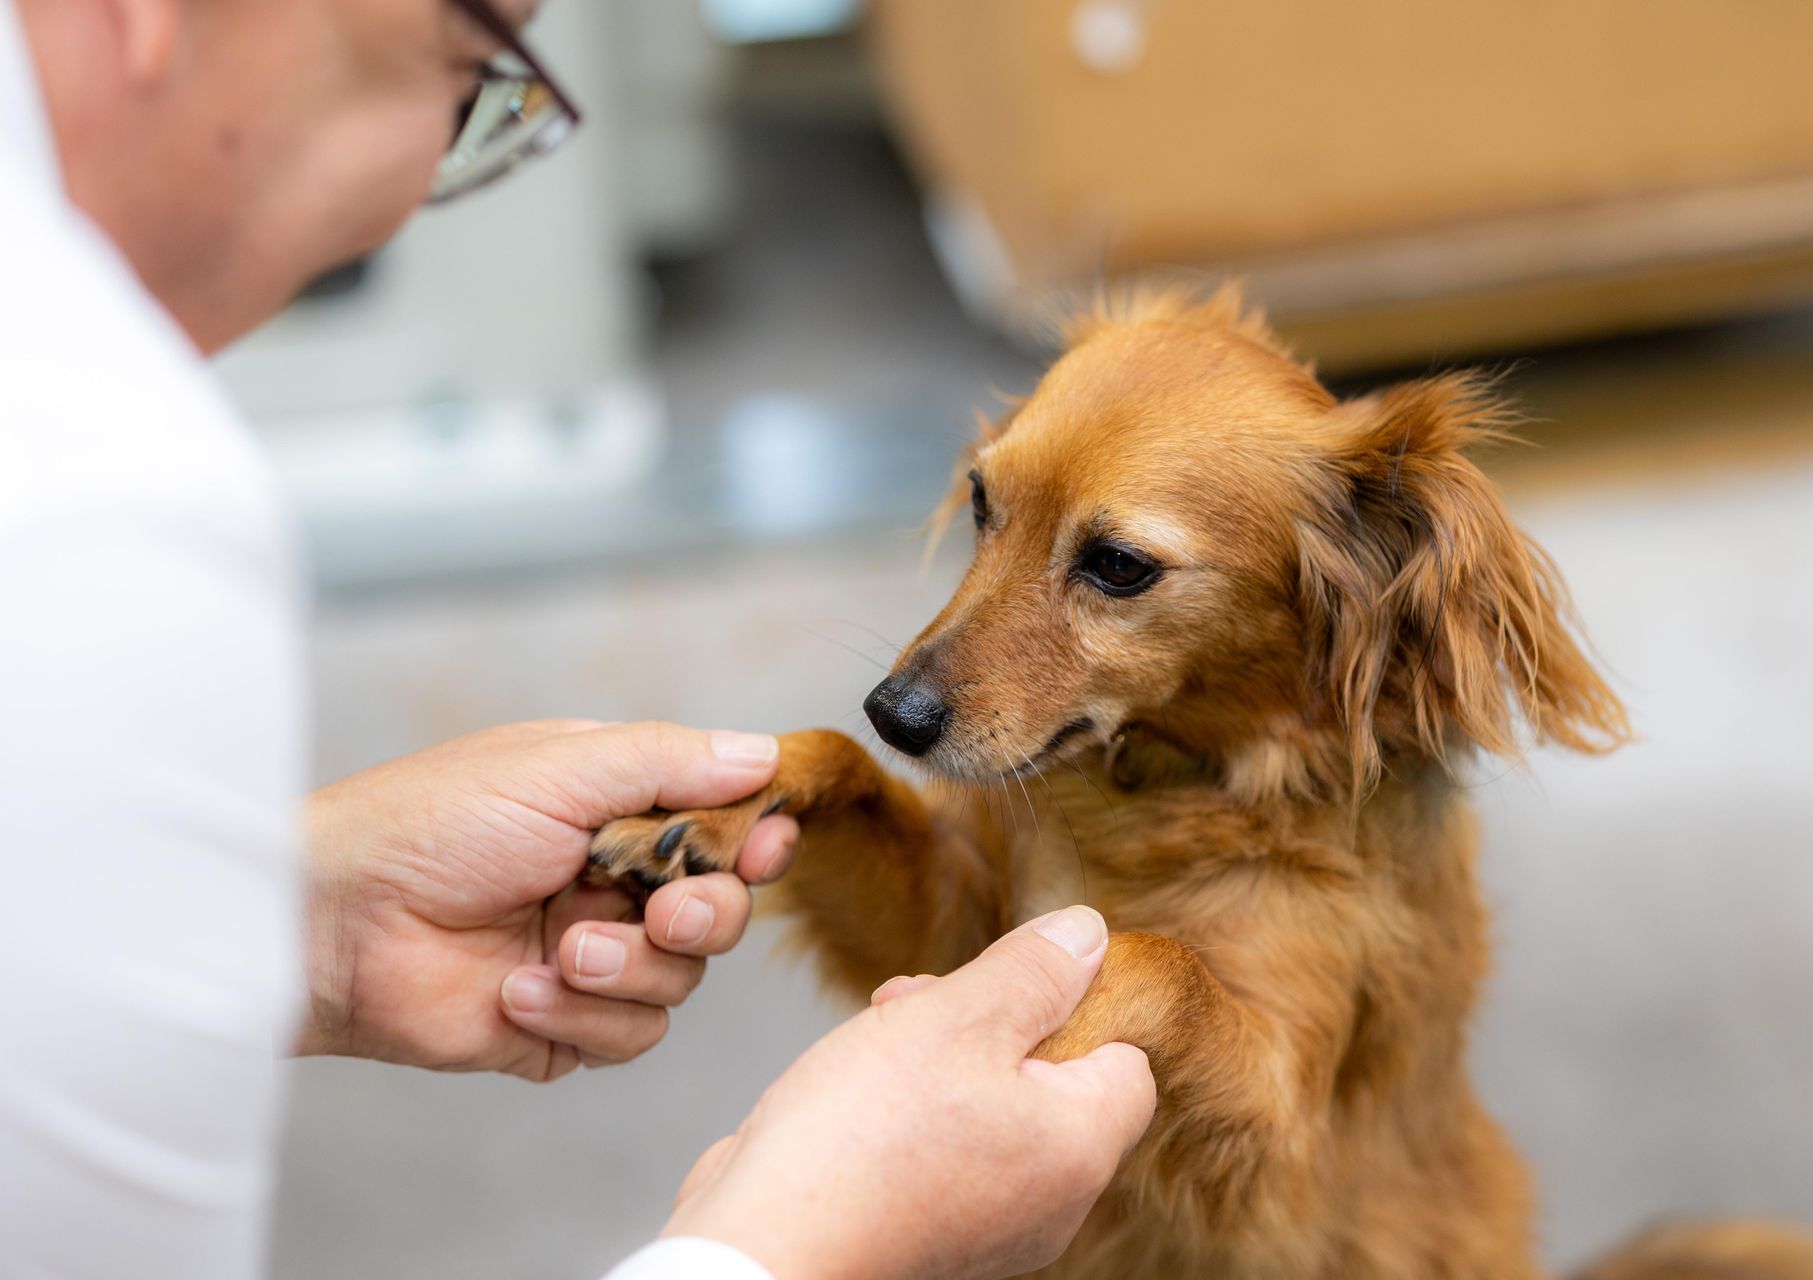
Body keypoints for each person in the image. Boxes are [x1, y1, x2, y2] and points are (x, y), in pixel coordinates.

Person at [0, 0, 1158, 1277]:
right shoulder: (91, 507)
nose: (402, 208)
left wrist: (304, 918)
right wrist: (800, 1241)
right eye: (461, 78)